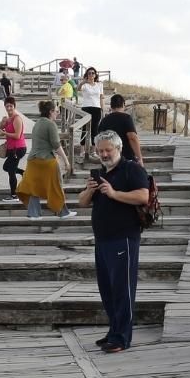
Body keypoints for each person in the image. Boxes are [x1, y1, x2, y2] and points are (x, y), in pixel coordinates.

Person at [78, 130, 150, 353]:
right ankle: (113, 331)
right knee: (107, 289)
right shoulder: (99, 173)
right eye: (100, 151)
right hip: (103, 240)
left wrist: (114, 193)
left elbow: (143, 196)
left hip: (124, 238)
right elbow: (81, 203)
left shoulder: (131, 169)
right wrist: (89, 191)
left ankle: (122, 337)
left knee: (122, 289)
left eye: (108, 150)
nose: (104, 154)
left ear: (118, 148)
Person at [16, 100, 77, 220]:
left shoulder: (37, 123)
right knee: (56, 185)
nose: (57, 114)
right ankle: (63, 212)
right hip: (46, 161)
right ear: (50, 112)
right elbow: (56, 144)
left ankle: (34, 214)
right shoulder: (50, 124)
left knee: (34, 187)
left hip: (33, 161)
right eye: (56, 111)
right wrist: (66, 160)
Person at [0, 96, 28, 203]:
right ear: (4, 106)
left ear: (14, 106)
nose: (9, 108)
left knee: (11, 171)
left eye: (11, 106)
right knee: (6, 167)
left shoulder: (17, 118)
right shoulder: (8, 120)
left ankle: (14, 195)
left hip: (18, 148)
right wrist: (2, 122)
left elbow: (17, 135)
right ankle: (23, 173)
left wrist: (4, 133)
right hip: (11, 149)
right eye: (7, 106)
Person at [97, 94, 143, 165]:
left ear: (111, 106)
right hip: (126, 159)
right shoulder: (126, 118)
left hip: (109, 160)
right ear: (123, 105)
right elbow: (132, 138)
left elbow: (98, 141)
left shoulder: (104, 120)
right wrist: (139, 158)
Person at [77, 68, 104, 160]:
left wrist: (102, 109)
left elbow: (101, 97)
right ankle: (82, 150)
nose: (91, 75)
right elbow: (78, 89)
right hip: (86, 108)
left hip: (96, 108)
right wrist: (83, 82)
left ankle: (93, 151)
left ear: (95, 75)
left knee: (95, 130)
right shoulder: (85, 85)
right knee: (84, 129)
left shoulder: (99, 85)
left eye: (93, 73)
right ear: (87, 75)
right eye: (89, 73)